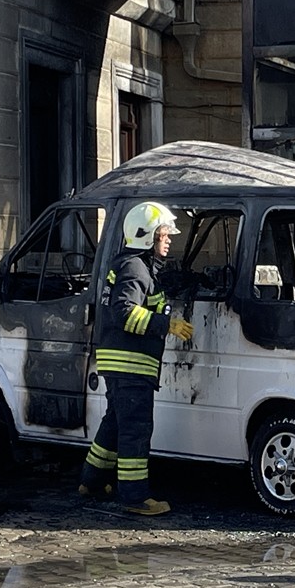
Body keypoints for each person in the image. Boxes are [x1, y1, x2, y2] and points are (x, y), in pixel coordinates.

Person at [78, 202, 194, 516]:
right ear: (146, 237)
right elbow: (124, 311)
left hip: (122, 365)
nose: (168, 239)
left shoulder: (133, 265)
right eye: (163, 234)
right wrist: (165, 324)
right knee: (136, 430)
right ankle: (134, 497)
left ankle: (91, 480)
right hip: (131, 365)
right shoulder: (135, 268)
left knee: (115, 424)